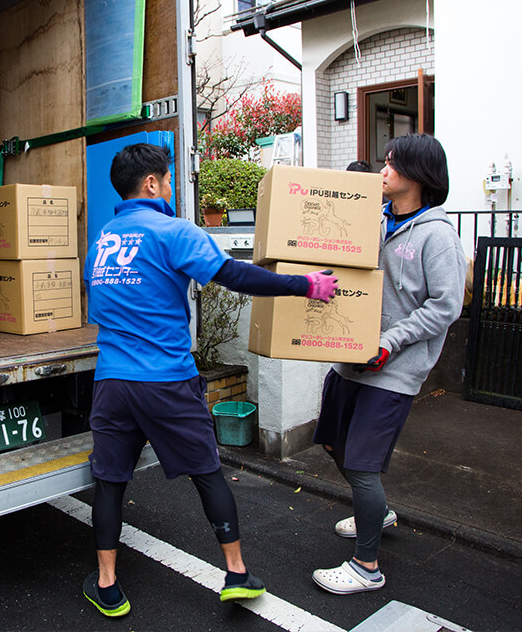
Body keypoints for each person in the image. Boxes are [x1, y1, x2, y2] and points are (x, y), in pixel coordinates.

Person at [82, 143, 339, 617]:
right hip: (167, 381)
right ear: (152, 183)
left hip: (113, 382)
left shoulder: (101, 241)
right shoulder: (174, 232)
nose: (173, 187)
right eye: (169, 178)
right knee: (206, 473)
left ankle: (107, 585)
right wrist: (304, 284)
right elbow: (234, 275)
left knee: (110, 482)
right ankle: (237, 573)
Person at [311, 133, 466, 595]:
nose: (383, 171)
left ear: (419, 176)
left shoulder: (437, 236)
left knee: (361, 465)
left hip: (393, 369)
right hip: (350, 359)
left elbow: (446, 306)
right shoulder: (375, 221)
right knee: (333, 446)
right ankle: (376, 513)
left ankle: (366, 567)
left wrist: (390, 341)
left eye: (393, 165)